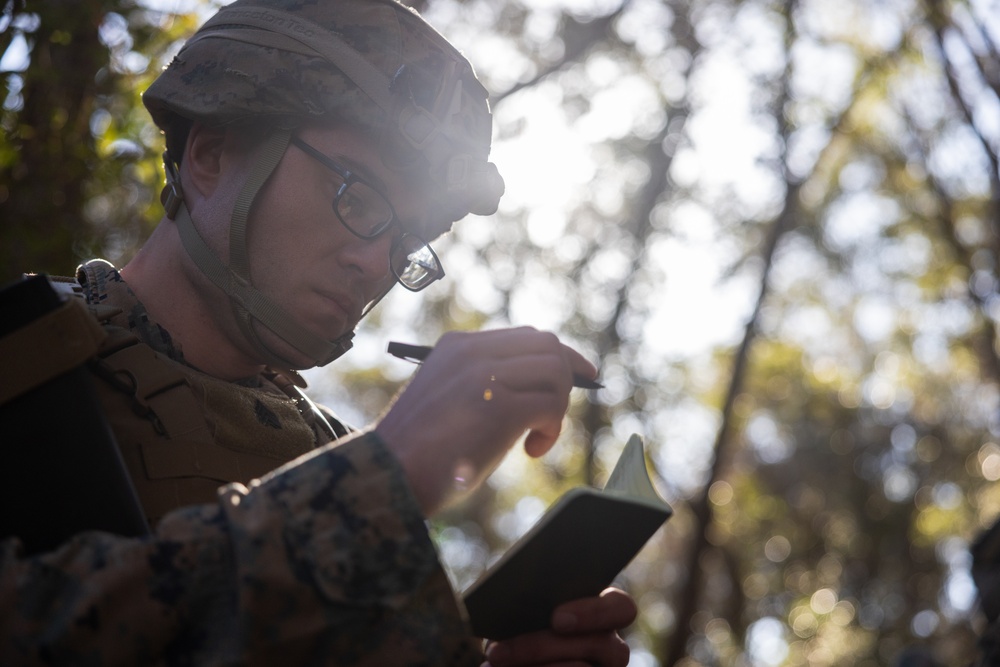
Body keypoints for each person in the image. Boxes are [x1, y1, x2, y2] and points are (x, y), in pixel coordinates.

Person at [0, 0, 638, 664]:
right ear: (212, 155)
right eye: (358, 198)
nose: (375, 264)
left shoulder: (335, 455)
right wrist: (377, 484)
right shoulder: (19, 365)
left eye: (406, 243)